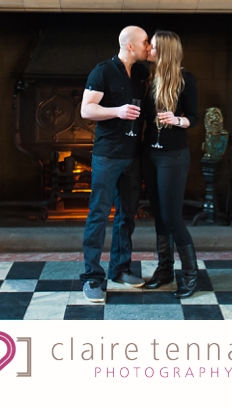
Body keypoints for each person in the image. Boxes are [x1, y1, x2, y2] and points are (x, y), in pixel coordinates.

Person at [79, 26, 150, 303]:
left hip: (133, 155)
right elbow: (86, 110)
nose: (148, 46)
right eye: (145, 42)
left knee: (126, 215)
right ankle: (92, 278)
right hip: (107, 155)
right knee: (98, 215)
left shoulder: (142, 74)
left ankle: (120, 269)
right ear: (130, 46)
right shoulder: (103, 71)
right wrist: (117, 111)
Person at [141, 31, 200, 299]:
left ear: (163, 51)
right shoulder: (148, 78)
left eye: (151, 46)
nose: (147, 49)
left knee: (173, 218)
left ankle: (190, 275)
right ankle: (165, 270)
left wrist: (177, 120)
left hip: (173, 156)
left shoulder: (185, 79)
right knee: (159, 217)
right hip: (150, 154)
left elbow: (194, 118)